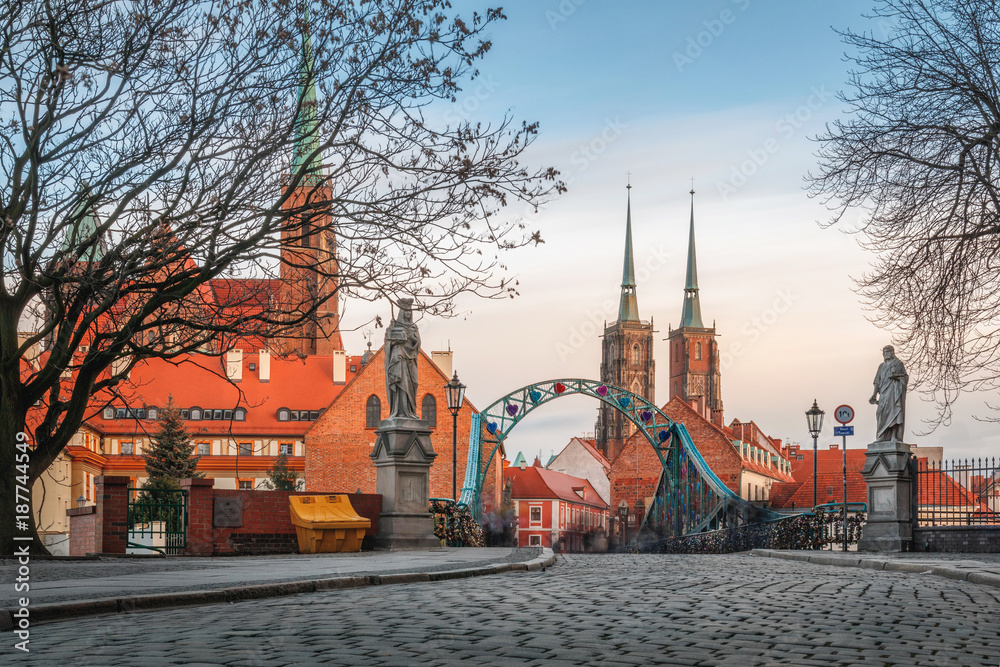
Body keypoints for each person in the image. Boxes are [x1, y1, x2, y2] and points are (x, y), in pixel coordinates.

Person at [384, 298, 420, 419]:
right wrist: (396, 341)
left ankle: (411, 411)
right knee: (400, 383)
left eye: (410, 311)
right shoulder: (395, 325)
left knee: (414, 382)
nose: (408, 313)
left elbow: (418, 343)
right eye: (406, 311)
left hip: (411, 358)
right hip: (399, 358)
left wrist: (412, 338)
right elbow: (388, 344)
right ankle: (400, 411)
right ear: (402, 312)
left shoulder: (414, 327)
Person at [869, 345, 908, 442]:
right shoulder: (881, 366)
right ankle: (881, 436)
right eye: (884, 352)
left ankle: (894, 436)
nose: (885, 354)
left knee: (894, 414)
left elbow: (905, 377)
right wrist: (874, 394)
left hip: (894, 392)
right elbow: (877, 381)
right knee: (880, 413)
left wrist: (897, 377)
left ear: (892, 352)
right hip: (884, 393)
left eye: (887, 351)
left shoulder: (898, 363)